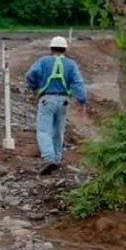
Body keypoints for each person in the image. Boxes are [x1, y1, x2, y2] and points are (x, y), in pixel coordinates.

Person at [25, 36, 87, 174]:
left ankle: (48, 158)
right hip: (64, 100)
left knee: (43, 130)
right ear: (65, 49)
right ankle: (57, 158)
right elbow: (78, 83)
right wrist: (81, 101)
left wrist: (34, 86)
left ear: (51, 48)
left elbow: (30, 75)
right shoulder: (71, 64)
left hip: (47, 99)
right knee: (58, 131)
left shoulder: (43, 61)